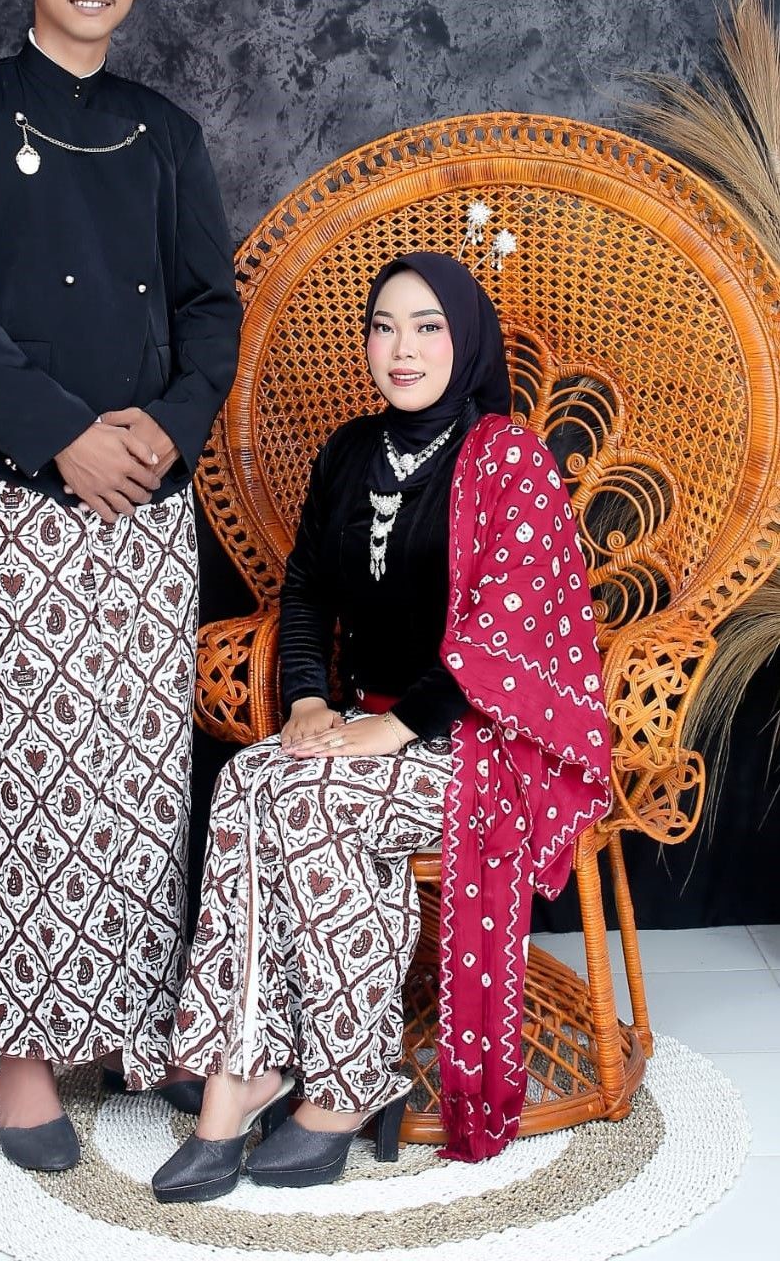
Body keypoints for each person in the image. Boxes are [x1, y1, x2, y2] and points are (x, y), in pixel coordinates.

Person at [0, 0, 241, 1172]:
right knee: (39, 773)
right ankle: (29, 1055)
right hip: (32, 491)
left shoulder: (165, 132)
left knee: (143, 778)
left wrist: (167, 427)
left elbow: (209, 304)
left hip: (151, 495)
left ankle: (139, 1032)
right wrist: (61, 434)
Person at [151, 252, 610, 1202]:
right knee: (247, 781)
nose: (402, 348)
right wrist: (307, 699)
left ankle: (340, 1085)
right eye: (384, 326)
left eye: (427, 326)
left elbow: (506, 634)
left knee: (310, 801)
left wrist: (400, 726)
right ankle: (245, 1073)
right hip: (363, 723)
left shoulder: (507, 458)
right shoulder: (351, 450)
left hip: (479, 744)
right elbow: (307, 590)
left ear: (464, 339)